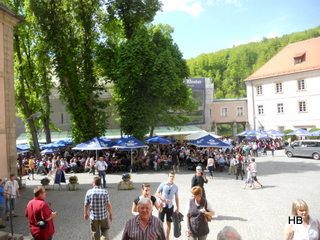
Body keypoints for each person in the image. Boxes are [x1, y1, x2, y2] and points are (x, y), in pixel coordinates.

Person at [156, 171, 180, 240]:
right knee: (160, 223)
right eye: (170, 176)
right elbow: (157, 193)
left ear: (174, 177)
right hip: (162, 206)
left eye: (173, 176)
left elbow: (177, 198)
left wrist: (178, 208)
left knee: (169, 223)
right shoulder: (163, 184)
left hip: (170, 207)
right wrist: (163, 199)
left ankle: (167, 238)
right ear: (168, 176)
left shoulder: (175, 187)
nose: (171, 178)